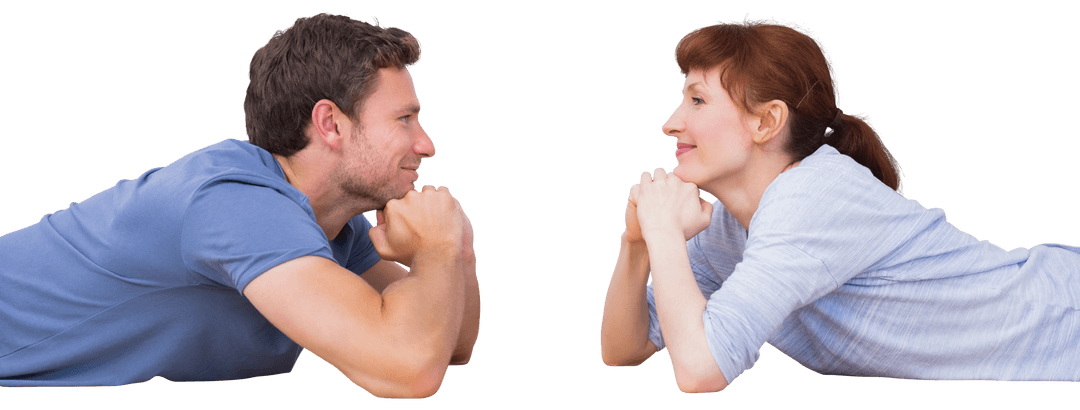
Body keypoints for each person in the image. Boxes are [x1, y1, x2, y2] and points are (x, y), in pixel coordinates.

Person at [0, 13, 480, 398]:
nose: (426, 145)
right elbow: (408, 369)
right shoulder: (237, 203)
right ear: (330, 124)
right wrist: (435, 249)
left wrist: (458, 250)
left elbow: (446, 342)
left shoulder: (334, 226)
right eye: (404, 119)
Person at [599, 15, 1080, 393]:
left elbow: (701, 371)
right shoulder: (730, 230)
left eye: (698, 101)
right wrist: (637, 244)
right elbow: (624, 349)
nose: (671, 123)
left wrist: (664, 232)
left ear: (766, 122)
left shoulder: (811, 197)